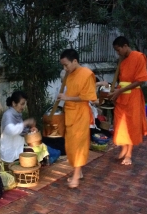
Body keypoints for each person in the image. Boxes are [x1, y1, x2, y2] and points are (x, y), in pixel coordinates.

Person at [57, 49, 97, 188]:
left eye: (66, 65)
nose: (65, 68)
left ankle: (76, 176)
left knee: (79, 144)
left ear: (75, 61)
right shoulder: (69, 74)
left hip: (81, 114)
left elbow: (88, 97)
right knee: (70, 145)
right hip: (70, 113)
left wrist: (67, 98)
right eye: (63, 65)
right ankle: (77, 172)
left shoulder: (87, 74)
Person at [109, 36, 147, 165]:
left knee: (131, 124)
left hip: (133, 96)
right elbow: (122, 79)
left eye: (118, 50)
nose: (118, 53)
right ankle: (123, 149)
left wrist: (120, 90)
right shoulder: (122, 60)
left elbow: (141, 80)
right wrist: (116, 90)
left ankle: (129, 154)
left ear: (125, 46)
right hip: (121, 97)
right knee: (120, 124)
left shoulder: (139, 57)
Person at [0, 91, 50, 164]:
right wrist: (26, 122)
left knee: (42, 147)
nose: (23, 107)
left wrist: (30, 130)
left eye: (24, 104)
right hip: (10, 151)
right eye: (22, 104)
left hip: (18, 147)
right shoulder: (8, 115)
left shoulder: (17, 114)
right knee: (34, 153)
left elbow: (20, 129)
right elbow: (11, 130)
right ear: (14, 103)